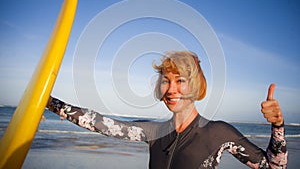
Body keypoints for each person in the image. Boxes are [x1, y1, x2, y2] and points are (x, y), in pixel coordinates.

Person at [47, 51, 288, 168]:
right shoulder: (154, 132)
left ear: (195, 85)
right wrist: (48, 103)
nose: (171, 89)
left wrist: (278, 126)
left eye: (180, 80)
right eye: (165, 81)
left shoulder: (218, 134)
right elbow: (101, 124)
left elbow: (274, 168)